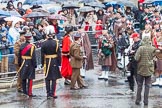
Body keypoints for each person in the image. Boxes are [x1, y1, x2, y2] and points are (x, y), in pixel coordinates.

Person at [135, 37, 156, 105]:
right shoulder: (153, 48)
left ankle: (138, 100)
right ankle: (146, 101)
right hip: (149, 68)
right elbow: (155, 57)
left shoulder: (141, 48)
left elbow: (136, 58)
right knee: (147, 86)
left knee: (139, 85)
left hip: (141, 68)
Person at [41, 29, 62, 99]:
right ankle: (53, 93)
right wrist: (59, 63)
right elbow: (59, 54)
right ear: (52, 35)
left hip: (46, 61)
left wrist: (42, 63)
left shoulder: (44, 43)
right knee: (54, 78)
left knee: (47, 78)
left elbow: (42, 55)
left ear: (47, 35)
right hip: (54, 61)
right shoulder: (56, 43)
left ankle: (48, 93)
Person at [18, 32, 37, 97]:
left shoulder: (21, 45)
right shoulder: (31, 46)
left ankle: (24, 92)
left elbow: (19, 56)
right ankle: (29, 92)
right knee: (30, 78)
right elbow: (33, 57)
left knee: (23, 78)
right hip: (30, 63)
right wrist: (35, 65)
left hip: (23, 62)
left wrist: (19, 64)